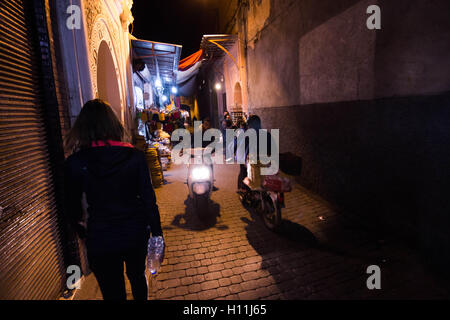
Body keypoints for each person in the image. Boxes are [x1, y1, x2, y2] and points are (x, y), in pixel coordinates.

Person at [64, 99, 163, 300]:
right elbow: (148, 200)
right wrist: (157, 234)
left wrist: (83, 233)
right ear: (113, 124)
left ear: (82, 128)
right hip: (135, 233)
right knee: (137, 276)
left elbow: (71, 208)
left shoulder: (75, 163)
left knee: (113, 292)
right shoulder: (134, 157)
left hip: (101, 238)